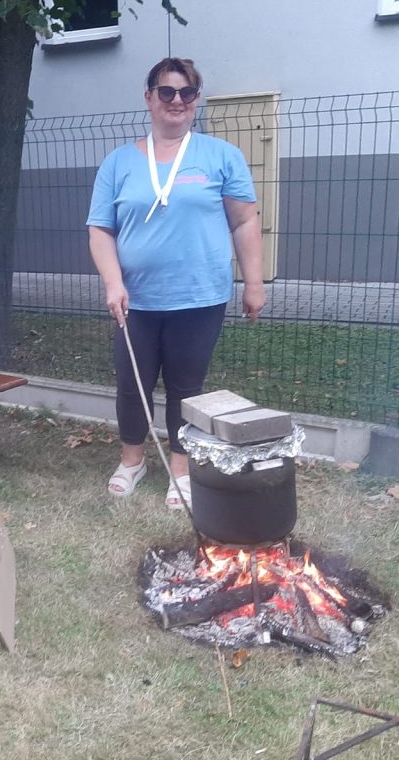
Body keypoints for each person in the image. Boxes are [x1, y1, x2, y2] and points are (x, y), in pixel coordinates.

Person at [86, 58, 266, 509]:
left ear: (196, 99)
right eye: (166, 92)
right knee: (132, 383)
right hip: (136, 299)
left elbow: (244, 221)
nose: (177, 101)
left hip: (199, 297)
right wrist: (112, 283)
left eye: (187, 92)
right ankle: (132, 461)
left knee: (186, 386)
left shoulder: (221, 156)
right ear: (149, 98)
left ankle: (181, 469)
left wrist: (254, 283)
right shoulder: (118, 162)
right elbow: (100, 229)